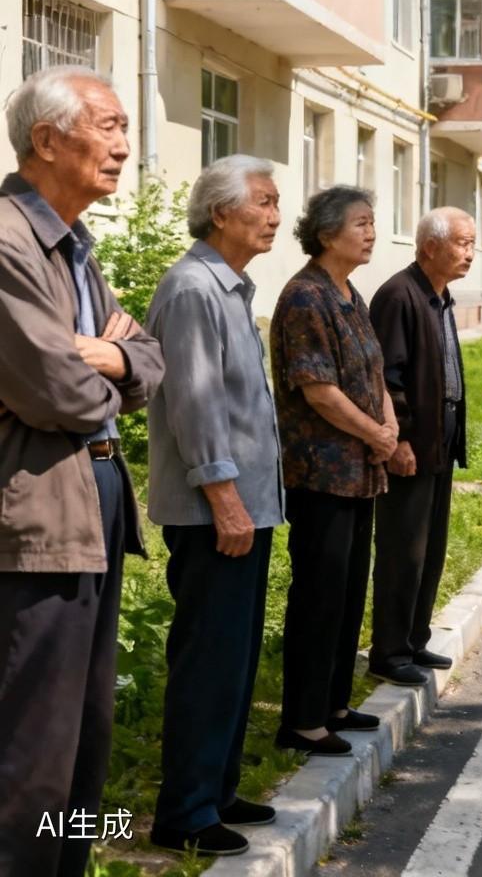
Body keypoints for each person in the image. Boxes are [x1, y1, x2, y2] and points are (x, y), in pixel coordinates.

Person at [0, 67, 164, 877]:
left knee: (83, 742)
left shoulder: (72, 247)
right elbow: (55, 389)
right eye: (108, 125)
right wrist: (109, 356)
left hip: (94, 513)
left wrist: (114, 354)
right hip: (37, 527)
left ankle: (67, 870)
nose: (125, 145)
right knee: (33, 750)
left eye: (126, 127)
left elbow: (150, 359)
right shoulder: (5, 239)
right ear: (47, 139)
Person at [147, 156, 284, 859]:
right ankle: (186, 812)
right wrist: (226, 500)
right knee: (207, 659)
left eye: (275, 202)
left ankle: (218, 789)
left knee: (233, 658)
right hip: (215, 515)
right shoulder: (194, 287)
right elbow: (195, 408)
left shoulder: (231, 288)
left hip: (245, 509)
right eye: (262, 202)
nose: (274, 214)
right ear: (221, 212)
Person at [271, 186, 398, 756]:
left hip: (360, 467)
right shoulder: (305, 297)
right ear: (327, 234)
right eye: (361, 224)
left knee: (349, 589)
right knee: (319, 594)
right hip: (322, 473)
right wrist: (377, 435)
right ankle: (301, 719)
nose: (371, 232)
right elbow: (318, 390)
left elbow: (372, 374)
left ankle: (334, 703)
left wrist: (389, 428)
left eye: (373, 223)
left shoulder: (350, 294)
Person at [368, 207, 474, 687]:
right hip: (411, 442)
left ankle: (414, 639)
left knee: (430, 546)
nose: (469, 253)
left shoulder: (440, 296)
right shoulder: (398, 296)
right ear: (430, 246)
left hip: (440, 438)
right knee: (401, 548)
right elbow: (386, 377)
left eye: (472, 244)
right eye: (462, 243)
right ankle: (388, 651)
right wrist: (400, 438)